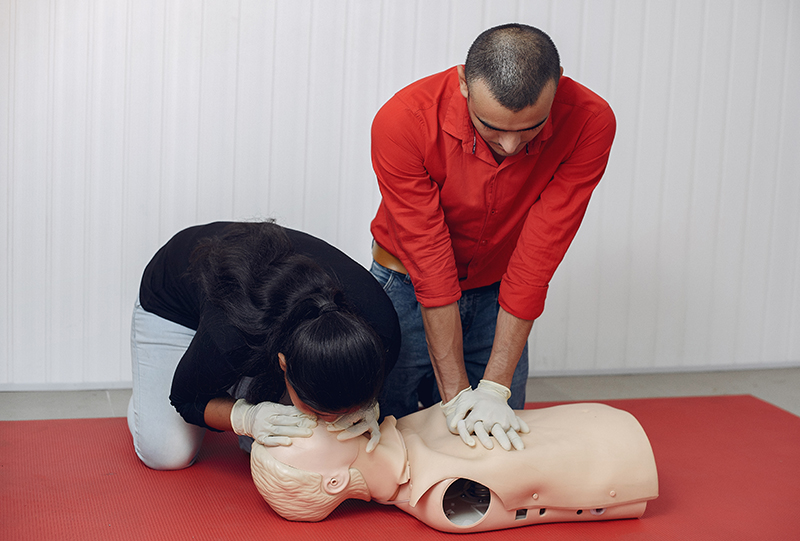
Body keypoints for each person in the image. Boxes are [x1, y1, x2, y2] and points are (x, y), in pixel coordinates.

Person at [368, 23, 616, 450]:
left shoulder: (591, 121)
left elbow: (540, 252)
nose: (510, 145)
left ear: (557, 84)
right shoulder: (403, 120)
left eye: (530, 129)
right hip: (404, 285)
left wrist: (495, 387)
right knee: (389, 433)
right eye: (491, 126)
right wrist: (458, 396)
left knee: (495, 442)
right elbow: (430, 262)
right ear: (464, 83)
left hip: (498, 292)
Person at [128, 221, 400, 470]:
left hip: (257, 310)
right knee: (167, 454)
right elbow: (184, 399)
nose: (327, 422)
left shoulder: (382, 331)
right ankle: (149, 393)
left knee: (277, 442)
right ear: (283, 363)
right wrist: (247, 417)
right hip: (174, 298)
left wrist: (366, 407)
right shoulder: (231, 338)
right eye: (317, 411)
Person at [249, 403, 659, 533]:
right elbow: (544, 487)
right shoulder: (439, 494)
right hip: (620, 455)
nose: (303, 422)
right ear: (335, 479)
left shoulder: (398, 429)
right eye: (296, 438)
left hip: (598, 421)